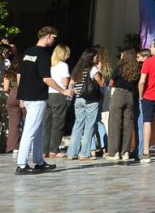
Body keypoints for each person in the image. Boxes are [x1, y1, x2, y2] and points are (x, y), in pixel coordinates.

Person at [13, 26, 59, 174]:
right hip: (37, 97)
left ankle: (39, 162)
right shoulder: (44, 55)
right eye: (54, 38)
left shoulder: (28, 52)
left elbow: (19, 74)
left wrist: (21, 95)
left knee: (37, 130)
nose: (54, 41)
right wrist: (63, 90)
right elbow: (46, 78)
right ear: (48, 36)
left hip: (27, 96)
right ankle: (21, 165)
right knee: (30, 131)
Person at [67, 47, 104, 160]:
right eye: (96, 57)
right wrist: (100, 69)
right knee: (89, 126)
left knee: (78, 125)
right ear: (91, 57)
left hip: (78, 100)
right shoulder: (92, 69)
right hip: (90, 100)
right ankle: (84, 154)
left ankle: (71, 153)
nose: (97, 59)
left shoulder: (77, 69)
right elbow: (101, 83)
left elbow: (71, 85)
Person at [105, 46, 139, 164]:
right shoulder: (136, 68)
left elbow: (111, 82)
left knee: (115, 124)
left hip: (119, 94)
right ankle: (125, 152)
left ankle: (114, 152)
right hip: (130, 96)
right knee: (127, 125)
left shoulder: (120, 67)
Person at [45, 43, 74, 155]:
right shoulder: (63, 65)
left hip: (47, 95)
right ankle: (54, 150)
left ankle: (44, 150)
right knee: (58, 124)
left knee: (46, 124)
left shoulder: (48, 64)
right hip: (59, 95)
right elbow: (65, 82)